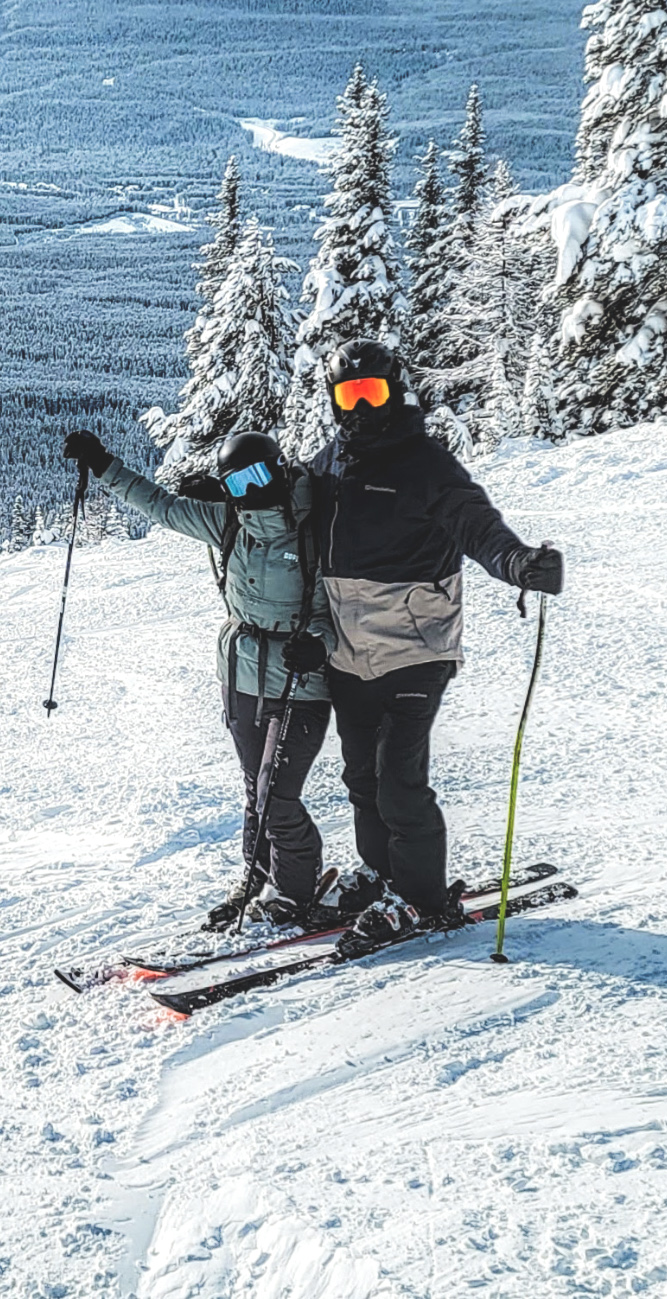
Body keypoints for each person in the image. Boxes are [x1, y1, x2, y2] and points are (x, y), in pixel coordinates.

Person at [308, 339, 564, 945]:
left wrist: (519, 563)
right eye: (350, 394)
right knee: (362, 778)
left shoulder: (427, 465)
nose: (362, 409)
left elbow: (478, 528)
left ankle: (421, 898)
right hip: (350, 651)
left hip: (417, 647)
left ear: (396, 392)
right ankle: (380, 873)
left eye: (373, 393)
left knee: (399, 777)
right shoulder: (327, 465)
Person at [62, 426, 363, 930]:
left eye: (258, 476)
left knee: (275, 793)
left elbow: (343, 609)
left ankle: (295, 889)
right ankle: (257, 875)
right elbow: (159, 505)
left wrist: (318, 641)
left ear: (279, 468)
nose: (251, 490)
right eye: (237, 483)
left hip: (300, 678)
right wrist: (104, 465)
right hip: (242, 671)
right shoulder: (228, 522)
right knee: (255, 787)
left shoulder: (317, 528)